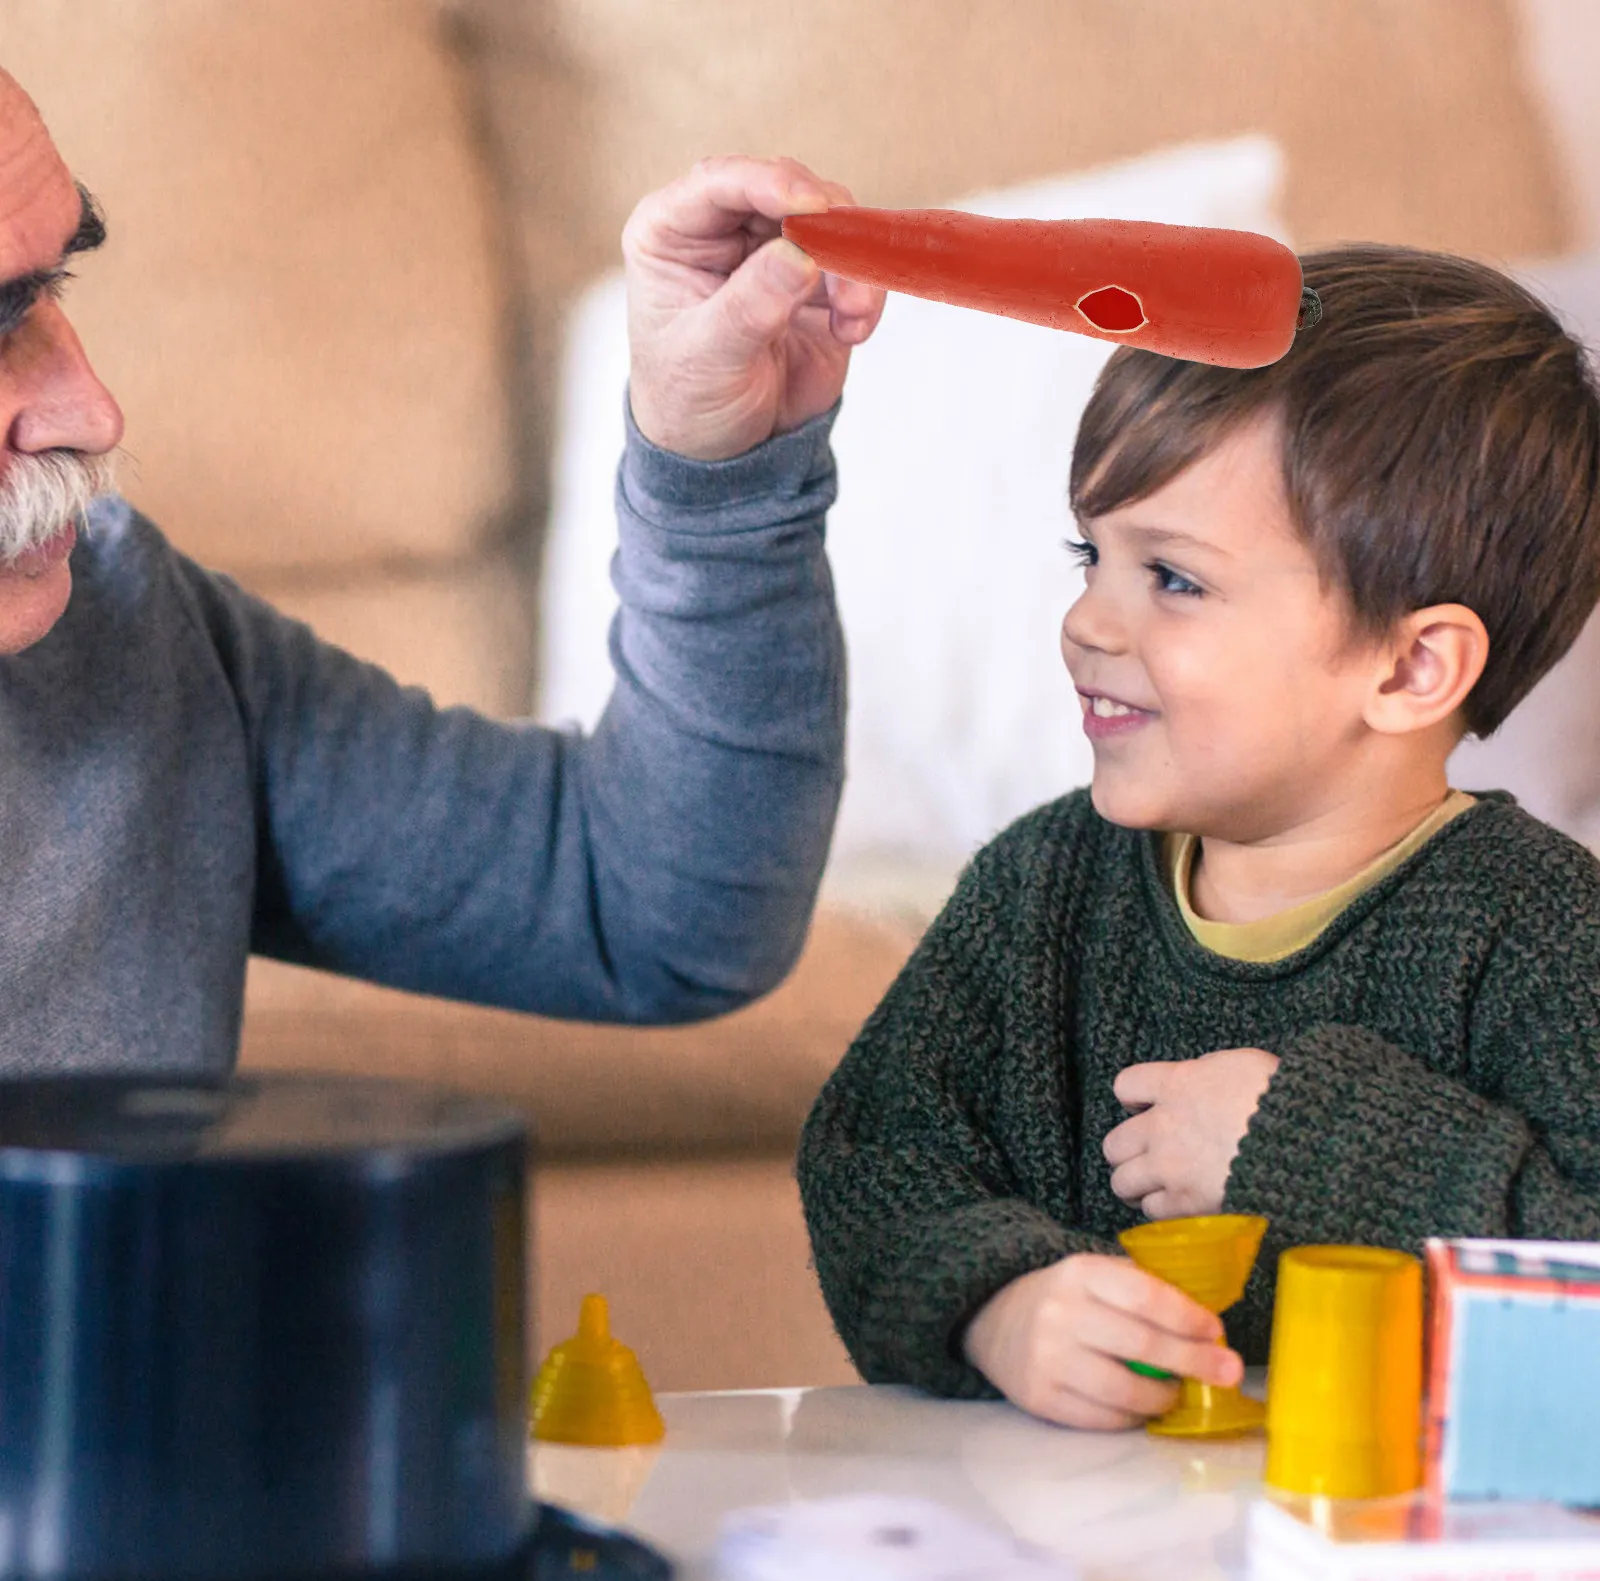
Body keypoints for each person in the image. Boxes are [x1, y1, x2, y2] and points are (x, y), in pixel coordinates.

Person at [798, 243, 1600, 1431]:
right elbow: (874, 1152)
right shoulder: (1042, 884)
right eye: (1092, 555)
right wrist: (997, 1303)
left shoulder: (1545, 936)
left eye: (1173, 578)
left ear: (1409, 668)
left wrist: (1304, 1146)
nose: (1087, 622)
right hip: (1077, 1518)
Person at [0, 66, 885, 1065]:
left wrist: (718, 487)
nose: (92, 415)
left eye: (46, 292)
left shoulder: (127, 633)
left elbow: (650, 908)